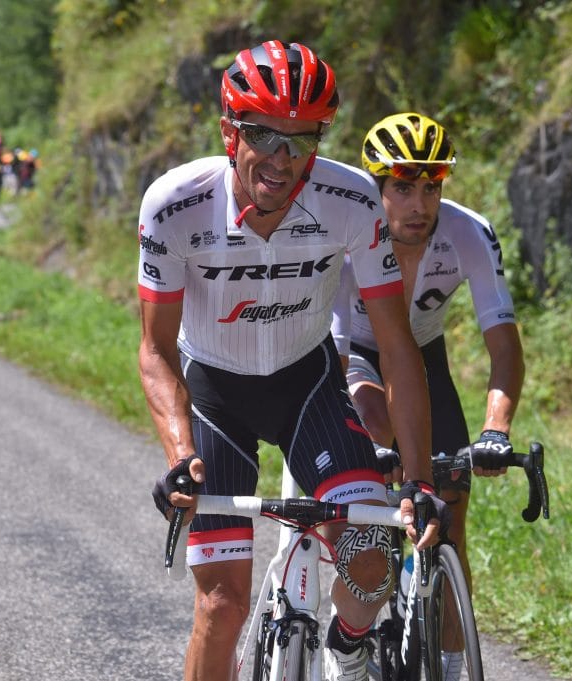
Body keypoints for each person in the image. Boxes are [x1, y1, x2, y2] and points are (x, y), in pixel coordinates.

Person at [137, 41, 446, 681]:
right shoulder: (174, 205)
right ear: (230, 132)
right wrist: (177, 454)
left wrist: (417, 478)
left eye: (301, 141)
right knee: (222, 607)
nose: (281, 159)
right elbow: (157, 349)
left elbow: (394, 343)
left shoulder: (353, 199)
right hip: (216, 397)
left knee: (371, 562)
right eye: (263, 135)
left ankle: (346, 644)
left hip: (309, 389)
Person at [332, 113, 525, 680]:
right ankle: (362, 610)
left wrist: (496, 431)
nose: (419, 204)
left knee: (450, 517)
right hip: (358, 356)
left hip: (424, 359)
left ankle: (447, 660)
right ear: (377, 187)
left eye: (431, 187)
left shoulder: (467, 232)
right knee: (375, 425)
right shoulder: (350, 235)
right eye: (403, 188)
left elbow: (506, 350)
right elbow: (337, 354)